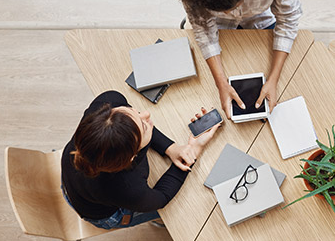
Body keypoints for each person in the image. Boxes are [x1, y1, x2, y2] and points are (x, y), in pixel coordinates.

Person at [160, 0, 302, 118]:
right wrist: (221, 84)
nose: (231, 12)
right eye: (220, 9)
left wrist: (274, 79)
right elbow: (203, 29)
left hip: (260, 21)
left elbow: (288, 19)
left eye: (233, 5)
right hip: (217, 26)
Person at [61, 91, 220, 229]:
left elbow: (128, 126)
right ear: (131, 157)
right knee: (175, 214)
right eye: (143, 126)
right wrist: (193, 151)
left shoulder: (107, 104)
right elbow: (161, 198)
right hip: (103, 214)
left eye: (132, 111)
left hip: (74, 187)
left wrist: (170, 148)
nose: (146, 114)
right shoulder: (128, 188)